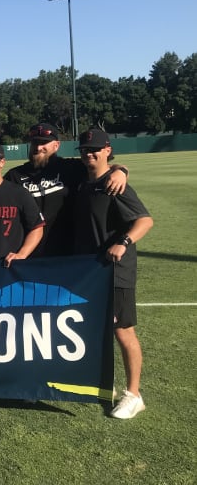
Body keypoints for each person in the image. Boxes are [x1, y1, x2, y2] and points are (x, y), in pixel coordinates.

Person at [73, 128, 153, 419]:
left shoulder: (115, 184)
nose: (89, 153)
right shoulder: (84, 184)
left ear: (108, 150)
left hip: (115, 271)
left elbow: (145, 220)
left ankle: (134, 394)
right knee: (96, 328)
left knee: (123, 330)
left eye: (95, 149)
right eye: (84, 149)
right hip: (92, 272)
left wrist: (124, 242)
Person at [4, 122, 128, 256]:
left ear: (56, 145)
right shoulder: (15, 175)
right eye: (35, 143)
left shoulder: (71, 168)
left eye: (44, 143)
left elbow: (103, 167)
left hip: (67, 252)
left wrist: (121, 171)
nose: (38, 147)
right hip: (29, 253)